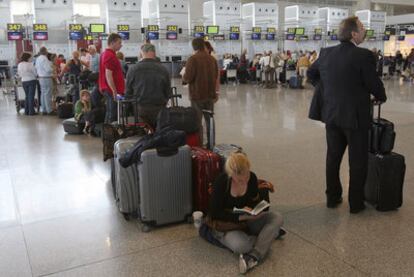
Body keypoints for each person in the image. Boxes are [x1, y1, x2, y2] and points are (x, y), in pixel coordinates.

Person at [307, 16, 386, 214]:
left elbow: (311, 74)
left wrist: (327, 91)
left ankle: (332, 198)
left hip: (332, 116)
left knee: (333, 158)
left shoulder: (326, 53)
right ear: (353, 33)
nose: (364, 31)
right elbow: (374, 84)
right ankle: (355, 203)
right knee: (357, 161)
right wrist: (381, 96)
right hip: (356, 119)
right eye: (361, 28)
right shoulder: (363, 55)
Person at [208, 152, 285, 274]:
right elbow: (215, 213)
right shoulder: (222, 182)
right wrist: (240, 217)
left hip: (248, 220)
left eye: (247, 177)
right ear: (231, 174)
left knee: (277, 217)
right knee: (242, 246)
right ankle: (268, 236)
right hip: (228, 224)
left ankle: (254, 256)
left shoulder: (252, 178)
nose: (244, 182)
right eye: (239, 180)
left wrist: (256, 210)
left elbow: (254, 201)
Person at [125, 43, 171, 127]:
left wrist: (127, 110)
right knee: (159, 134)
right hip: (159, 108)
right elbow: (168, 92)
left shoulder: (133, 69)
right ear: (154, 53)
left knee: (143, 134)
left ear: (142, 53)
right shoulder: (163, 70)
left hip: (140, 109)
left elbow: (128, 92)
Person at [182, 38, 218, 144]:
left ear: (194, 47)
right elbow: (216, 75)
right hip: (210, 95)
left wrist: (183, 76)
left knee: (197, 122)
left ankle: (199, 143)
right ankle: (211, 143)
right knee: (210, 120)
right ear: (203, 45)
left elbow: (188, 78)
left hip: (197, 95)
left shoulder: (192, 59)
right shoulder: (212, 59)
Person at [99, 33, 125, 123]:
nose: (121, 45)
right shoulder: (109, 56)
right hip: (111, 90)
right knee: (113, 114)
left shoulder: (105, 54)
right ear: (112, 43)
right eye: (119, 43)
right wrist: (114, 91)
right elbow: (108, 75)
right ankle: (110, 135)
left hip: (109, 89)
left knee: (110, 113)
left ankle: (108, 134)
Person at [35, 46, 55, 115]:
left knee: (43, 94)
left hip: (40, 78)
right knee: (48, 94)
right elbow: (48, 69)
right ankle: (49, 110)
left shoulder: (38, 58)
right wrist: (52, 69)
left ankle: (44, 109)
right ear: (45, 51)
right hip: (46, 78)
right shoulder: (44, 58)